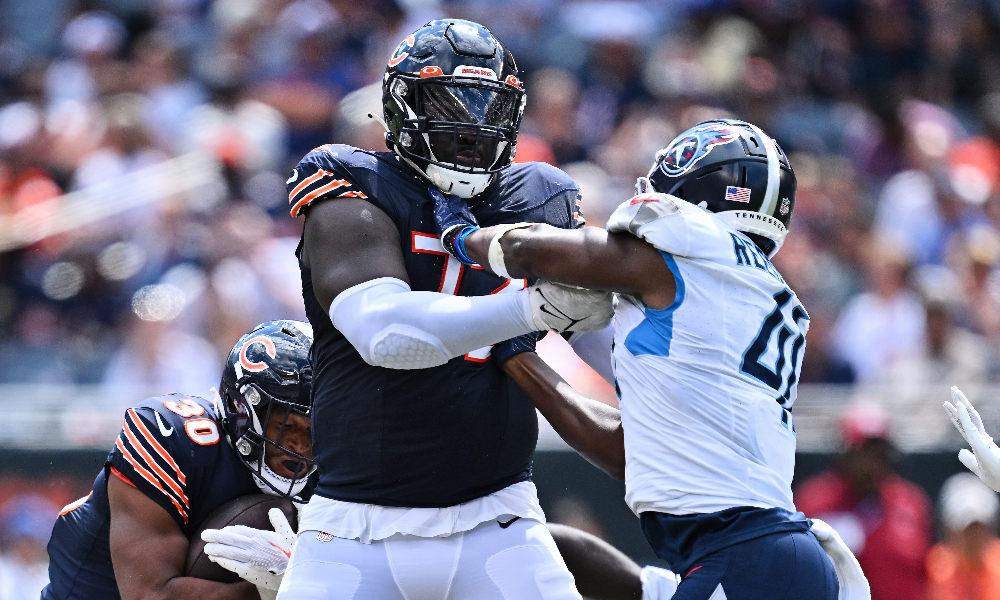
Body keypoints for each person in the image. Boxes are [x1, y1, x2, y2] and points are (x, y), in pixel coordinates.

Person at [436, 119, 868, 599]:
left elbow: (526, 247)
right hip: (762, 555)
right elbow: (630, 450)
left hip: (742, 554)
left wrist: (458, 235)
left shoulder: (690, 251)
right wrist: (515, 356)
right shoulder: (744, 295)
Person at [277, 18, 613, 600]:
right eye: (450, 102)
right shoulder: (353, 187)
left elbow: (612, 303)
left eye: (489, 106)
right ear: (402, 105)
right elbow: (386, 335)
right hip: (354, 530)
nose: (471, 125)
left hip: (499, 519)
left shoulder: (535, 195)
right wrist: (535, 311)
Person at [42, 320, 317, 600]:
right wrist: (279, 587)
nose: (301, 444)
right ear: (243, 410)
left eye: (316, 427)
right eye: (287, 425)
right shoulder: (170, 436)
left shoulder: (336, 466)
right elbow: (149, 595)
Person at [795, 404, 931, 600]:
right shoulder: (814, 502)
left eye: (879, 453)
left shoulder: (910, 503)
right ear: (846, 454)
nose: (872, 463)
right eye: (864, 454)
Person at [926, 472, 1000, 600]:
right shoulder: (936, 567)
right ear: (949, 531)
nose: (972, 538)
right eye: (965, 530)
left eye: (978, 528)